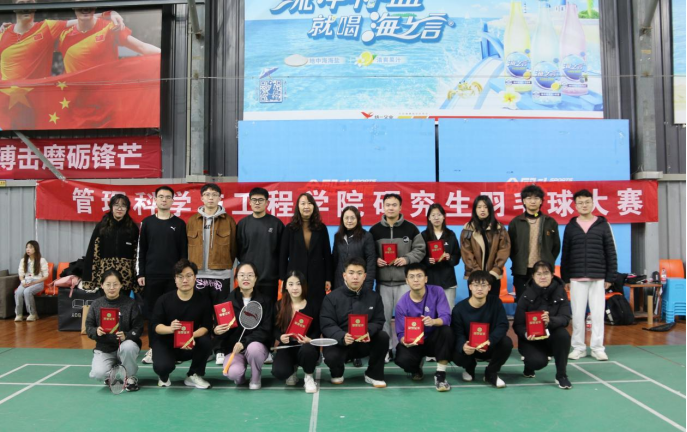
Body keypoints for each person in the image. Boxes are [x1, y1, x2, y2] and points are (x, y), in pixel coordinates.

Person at [0, 0, 124, 80]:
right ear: (14, 7)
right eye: (21, 3)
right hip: (6, 102)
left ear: (35, 6)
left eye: (30, 2)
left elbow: (82, 18)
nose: (26, 6)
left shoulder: (47, 27)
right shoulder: (3, 33)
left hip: (36, 100)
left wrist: (109, 13)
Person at [562, 189, 618, 362]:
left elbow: (611, 252)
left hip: (598, 277)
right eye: (580, 203)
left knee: (598, 315)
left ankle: (597, 348)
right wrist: (565, 278)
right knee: (578, 315)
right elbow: (565, 254)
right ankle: (578, 348)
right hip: (576, 277)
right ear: (575, 205)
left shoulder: (603, 225)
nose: (584, 205)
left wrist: (610, 277)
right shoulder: (571, 226)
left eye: (587, 202)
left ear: (593, 203)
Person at [370, 193, 426, 362]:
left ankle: (409, 347)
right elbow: (369, 252)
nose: (391, 208)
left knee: (408, 318)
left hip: (404, 282)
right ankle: (386, 349)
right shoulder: (374, 230)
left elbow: (420, 249)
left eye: (394, 205)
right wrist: (376, 259)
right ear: (383, 207)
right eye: (388, 205)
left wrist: (406, 259)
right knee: (384, 318)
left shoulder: (411, 228)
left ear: (400, 207)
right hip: (383, 283)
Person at [137, 186, 188, 365]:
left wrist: (182, 275)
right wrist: (141, 273)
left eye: (167, 197)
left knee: (174, 312)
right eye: (161, 197)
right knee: (153, 314)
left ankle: (175, 350)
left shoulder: (179, 224)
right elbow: (142, 250)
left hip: (173, 278)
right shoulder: (147, 222)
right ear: (155, 200)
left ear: (173, 201)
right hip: (152, 276)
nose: (164, 200)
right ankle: (153, 348)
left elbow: (183, 252)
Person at [320, 257, 389, 388]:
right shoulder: (331, 298)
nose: (355, 277)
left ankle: (373, 374)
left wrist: (367, 331)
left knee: (382, 337)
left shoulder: (374, 296)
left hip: (364, 342)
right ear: (344, 275)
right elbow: (327, 323)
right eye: (351, 273)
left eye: (359, 273)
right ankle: (337, 372)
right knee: (332, 356)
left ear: (365, 276)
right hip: (341, 343)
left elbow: (379, 320)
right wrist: (342, 336)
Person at [187, 183, 237, 364]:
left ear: (219, 198)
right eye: (207, 194)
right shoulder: (192, 221)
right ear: (201, 197)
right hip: (199, 275)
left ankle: (221, 348)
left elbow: (234, 248)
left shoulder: (229, 221)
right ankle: (204, 348)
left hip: (221, 275)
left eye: (214, 195)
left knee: (222, 313)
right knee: (201, 313)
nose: (210, 198)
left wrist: (228, 269)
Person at [151, 259, 213, 389]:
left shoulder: (203, 300)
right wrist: (170, 328)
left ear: (195, 278)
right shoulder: (163, 300)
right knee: (163, 367)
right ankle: (163, 376)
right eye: (180, 277)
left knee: (206, 341)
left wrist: (191, 335)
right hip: (167, 343)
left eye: (189, 276)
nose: (185, 280)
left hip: (190, 344)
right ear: (175, 279)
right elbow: (156, 326)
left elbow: (206, 326)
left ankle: (193, 374)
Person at [394, 263, 454, 392]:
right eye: (412, 277)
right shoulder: (401, 304)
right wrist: (404, 340)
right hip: (415, 343)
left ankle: (440, 375)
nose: (416, 280)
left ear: (426, 279)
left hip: (433, 341)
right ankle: (416, 368)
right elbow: (400, 333)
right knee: (402, 359)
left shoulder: (437, 291)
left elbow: (446, 318)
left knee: (446, 331)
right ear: (406, 280)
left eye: (419, 276)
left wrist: (433, 321)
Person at [513, 261, 572, 389]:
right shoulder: (525, 295)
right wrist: (526, 334)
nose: (542, 277)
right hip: (532, 339)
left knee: (563, 336)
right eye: (538, 274)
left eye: (546, 273)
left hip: (552, 334)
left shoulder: (561, 293)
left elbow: (565, 318)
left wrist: (550, 321)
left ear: (552, 275)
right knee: (537, 362)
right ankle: (529, 366)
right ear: (533, 276)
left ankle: (561, 375)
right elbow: (517, 324)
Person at [58, 3, 160, 74]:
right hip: (75, 95)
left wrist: (165, 56)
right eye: (80, 3)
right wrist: (107, 13)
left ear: (95, 5)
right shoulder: (62, 35)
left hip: (106, 93)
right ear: (73, 6)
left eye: (89, 3)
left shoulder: (110, 27)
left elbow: (142, 47)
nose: (85, 8)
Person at [216, 263, 273, 390]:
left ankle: (255, 377)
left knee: (254, 349)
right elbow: (223, 336)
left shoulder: (266, 301)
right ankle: (240, 379)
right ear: (236, 278)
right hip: (234, 349)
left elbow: (266, 330)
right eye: (242, 275)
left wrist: (244, 343)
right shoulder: (226, 303)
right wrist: (217, 331)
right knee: (233, 373)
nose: (246, 278)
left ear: (256, 278)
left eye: (250, 275)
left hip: (256, 347)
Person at [451, 270, 513, 388]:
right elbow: (457, 333)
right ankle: (469, 368)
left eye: (483, 285)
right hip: (470, 349)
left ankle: (491, 372)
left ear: (489, 287)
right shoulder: (459, 309)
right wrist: (463, 346)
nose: (479, 288)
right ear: (470, 287)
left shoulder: (495, 302)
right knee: (455, 350)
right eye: (476, 285)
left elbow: (503, 325)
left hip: (489, 345)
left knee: (506, 342)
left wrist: (490, 340)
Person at [85, 269, 143, 392]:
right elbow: (88, 327)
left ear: (121, 285)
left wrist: (127, 335)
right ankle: (112, 373)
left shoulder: (131, 304)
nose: (112, 288)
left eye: (115, 284)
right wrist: (96, 331)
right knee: (97, 373)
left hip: (125, 345)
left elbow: (139, 328)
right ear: (102, 285)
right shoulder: (96, 304)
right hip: (104, 348)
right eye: (108, 284)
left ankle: (130, 377)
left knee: (128, 346)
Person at [332, 205, 376, 368]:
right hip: (340, 282)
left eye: (352, 218)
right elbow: (335, 259)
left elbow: (371, 261)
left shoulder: (366, 236)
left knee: (358, 318)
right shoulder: (338, 236)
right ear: (342, 220)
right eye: (346, 218)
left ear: (358, 219)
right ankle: (345, 349)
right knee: (343, 316)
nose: (349, 220)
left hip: (360, 283)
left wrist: (368, 283)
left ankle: (357, 352)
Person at [279, 192, 333, 310]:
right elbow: (283, 256)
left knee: (316, 307)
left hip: (317, 276)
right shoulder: (290, 228)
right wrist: (283, 278)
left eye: (309, 203)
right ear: (298, 206)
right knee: (295, 307)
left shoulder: (321, 228)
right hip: (295, 276)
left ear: (314, 206)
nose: (306, 206)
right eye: (303, 203)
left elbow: (327, 255)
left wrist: (328, 278)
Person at [508, 185, 561, 302]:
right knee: (523, 302)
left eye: (536, 198)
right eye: (529, 198)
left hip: (543, 270)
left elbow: (556, 247)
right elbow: (510, 247)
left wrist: (548, 260)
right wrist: (518, 260)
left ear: (541, 201)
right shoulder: (516, 222)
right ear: (523, 201)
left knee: (544, 303)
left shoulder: (550, 222)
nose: (533, 201)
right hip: (522, 271)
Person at [271, 270, 320, 393]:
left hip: (306, 346)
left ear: (303, 286)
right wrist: (280, 337)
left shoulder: (312, 305)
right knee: (279, 372)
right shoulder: (279, 305)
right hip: (287, 347)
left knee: (308, 350)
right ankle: (292, 369)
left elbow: (318, 328)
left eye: (298, 284)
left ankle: (309, 376)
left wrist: (310, 339)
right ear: (285, 286)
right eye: (291, 284)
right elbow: (274, 328)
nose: (295, 288)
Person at [236, 187, 284, 306]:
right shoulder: (242, 224)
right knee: (248, 313)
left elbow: (282, 253)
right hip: (248, 280)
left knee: (269, 312)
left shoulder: (276, 224)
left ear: (267, 202)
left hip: (270, 280)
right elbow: (238, 251)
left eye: (261, 200)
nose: (257, 203)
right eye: (254, 200)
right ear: (250, 202)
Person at [82, 194, 139, 293]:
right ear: (111, 207)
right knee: (105, 302)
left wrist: (136, 280)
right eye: (116, 205)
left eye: (123, 205)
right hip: (105, 276)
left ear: (127, 208)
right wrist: (90, 279)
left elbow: (137, 255)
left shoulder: (132, 228)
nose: (119, 208)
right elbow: (93, 252)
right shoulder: (102, 226)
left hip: (125, 278)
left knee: (123, 302)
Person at [460, 196, 511, 296]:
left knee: (492, 303)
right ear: (475, 210)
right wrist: (477, 273)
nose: (482, 210)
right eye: (479, 207)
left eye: (485, 207)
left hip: (493, 276)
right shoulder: (468, 228)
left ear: (490, 209)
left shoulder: (499, 228)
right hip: (474, 276)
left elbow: (504, 250)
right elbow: (466, 252)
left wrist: (494, 271)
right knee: (475, 303)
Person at [421, 203, 461, 307]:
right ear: (429, 218)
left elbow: (457, 255)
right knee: (430, 311)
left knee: (448, 310)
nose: (436, 218)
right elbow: (419, 256)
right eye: (433, 215)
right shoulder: (424, 235)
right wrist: (427, 260)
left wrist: (450, 257)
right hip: (430, 279)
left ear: (443, 216)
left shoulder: (450, 234)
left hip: (448, 280)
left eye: (439, 215)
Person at [14, 240, 49, 322]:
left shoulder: (42, 260)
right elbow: (21, 274)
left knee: (27, 291)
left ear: (35, 249)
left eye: (30, 247)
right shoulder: (23, 260)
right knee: (18, 292)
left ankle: (33, 314)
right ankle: (19, 314)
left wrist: (34, 283)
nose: (28, 249)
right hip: (26, 281)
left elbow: (45, 276)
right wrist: (23, 282)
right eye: (27, 247)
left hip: (38, 282)